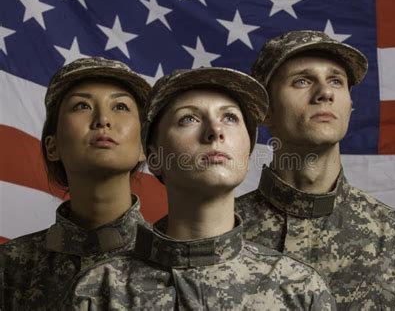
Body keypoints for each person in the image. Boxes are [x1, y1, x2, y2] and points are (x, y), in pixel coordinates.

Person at [63, 67, 336, 310]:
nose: (215, 131)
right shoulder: (99, 292)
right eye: (188, 119)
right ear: (154, 157)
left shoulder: (299, 288)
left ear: (247, 151)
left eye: (230, 118)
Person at [235, 30, 395, 310]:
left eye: (336, 81)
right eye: (302, 80)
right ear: (264, 110)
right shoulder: (221, 235)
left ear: (350, 107)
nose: (324, 93)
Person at [0, 57, 152, 310]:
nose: (103, 119)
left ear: (144, 147)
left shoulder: (172, 262)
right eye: (82, 105)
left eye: (121, 107)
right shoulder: (9, 268)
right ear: (52, 146)